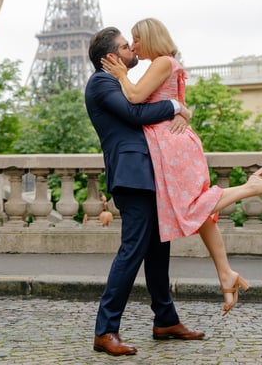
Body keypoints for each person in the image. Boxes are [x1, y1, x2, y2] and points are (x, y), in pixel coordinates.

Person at [100, 17, 262, 319]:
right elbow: (177, 104)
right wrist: (181, 110)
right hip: (172, 145)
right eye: (129, 43)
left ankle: (253, 188)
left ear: (150, 37)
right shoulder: (167, 64)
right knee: (200, 210)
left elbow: (135, 98)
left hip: (171, 147)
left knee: (192, 206)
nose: (134, 46)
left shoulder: (162, 62)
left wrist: (123, 75)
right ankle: (225, 274)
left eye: (136, 39)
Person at [85, 26, 205, 357]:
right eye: (126, 47)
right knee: (132, 251)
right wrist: (175, 107)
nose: (132, 50)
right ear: (111, 57)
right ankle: (105, 330)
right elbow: (136, 114)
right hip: (131, 175)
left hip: (148, 173)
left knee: (157, 249)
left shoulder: (119, 82)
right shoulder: (102, 83)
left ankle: (165, 320)